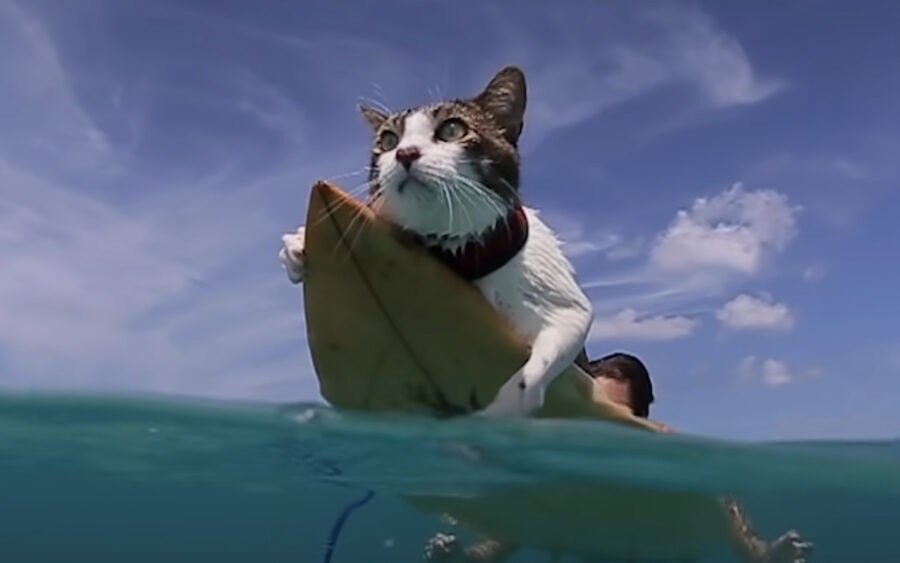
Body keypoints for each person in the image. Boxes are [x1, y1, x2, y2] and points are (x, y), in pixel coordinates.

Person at [424, 352, 814, 563]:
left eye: (617, 420)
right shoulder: (566, 475)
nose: (601, 434)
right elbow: (505, 540)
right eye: (595, 418)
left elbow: (728, 509)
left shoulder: (670, 460)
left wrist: (765, 557)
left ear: (643, 419)